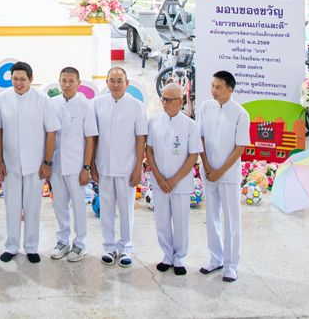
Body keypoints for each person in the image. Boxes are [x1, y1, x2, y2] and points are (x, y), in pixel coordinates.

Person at [0, 61, 59, 264]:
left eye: (23, 79)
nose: (19, 83)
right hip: (10, 164)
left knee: (32, 208)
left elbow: (51, 132)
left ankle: (31, 247)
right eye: (15, 79)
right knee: (11, 207)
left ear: (31, 79)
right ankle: (11, 246)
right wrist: (0, 160)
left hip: (35, 165)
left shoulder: (42, 100)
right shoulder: (2, 99)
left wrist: (47, 162)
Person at [91, 67, 147, 268]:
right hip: (103, 167)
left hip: (127, 168)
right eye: (112, 80)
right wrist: (92, 164)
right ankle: (108, 247)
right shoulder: (97, 104)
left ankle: (126, 248)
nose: (115, 84)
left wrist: (138, 167)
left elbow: (141, 139)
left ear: (127, 83)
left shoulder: (136, 106)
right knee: (106, 209)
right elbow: (93, 138)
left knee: (126, 209)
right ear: (106, 82)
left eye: (119, 81)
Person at [198, 70, 250, 283]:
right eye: (212, 86)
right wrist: (207, 164)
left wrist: (220, 170)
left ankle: (231, 265)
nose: (214, 91)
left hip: (228, 176)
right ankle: (216, 258)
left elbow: (239, 148)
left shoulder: (240, 113)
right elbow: (199, 137)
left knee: (231, 220)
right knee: (212, 217)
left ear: (230, 89)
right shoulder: (205, 107)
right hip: (209, 172)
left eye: (219, 87)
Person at [146, 83, 202, 276]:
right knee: (161, 219)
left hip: (181, 183)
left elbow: (193, 155)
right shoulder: (154, 122)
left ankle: (179, 257)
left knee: (180, 221)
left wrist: (175, 179)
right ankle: (167, 255)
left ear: (180, 102)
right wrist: (159, 178)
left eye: (169, 100)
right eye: (163, 98)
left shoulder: (190, 125)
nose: (164, 103)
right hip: (159, 181)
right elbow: (149, 150)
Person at [48, 67, 97, 263]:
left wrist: (86, 167)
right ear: (59, 82)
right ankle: (62, 241)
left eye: (71, 81)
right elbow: (49, 135)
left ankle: (80, 244)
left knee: (78, 206)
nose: (67, 84)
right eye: (63, 81)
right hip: (57, 163)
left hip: (77, 165)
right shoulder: (52, 104)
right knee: (59, 205)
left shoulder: (85, 105)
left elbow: (90, 138)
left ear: (79, 83)